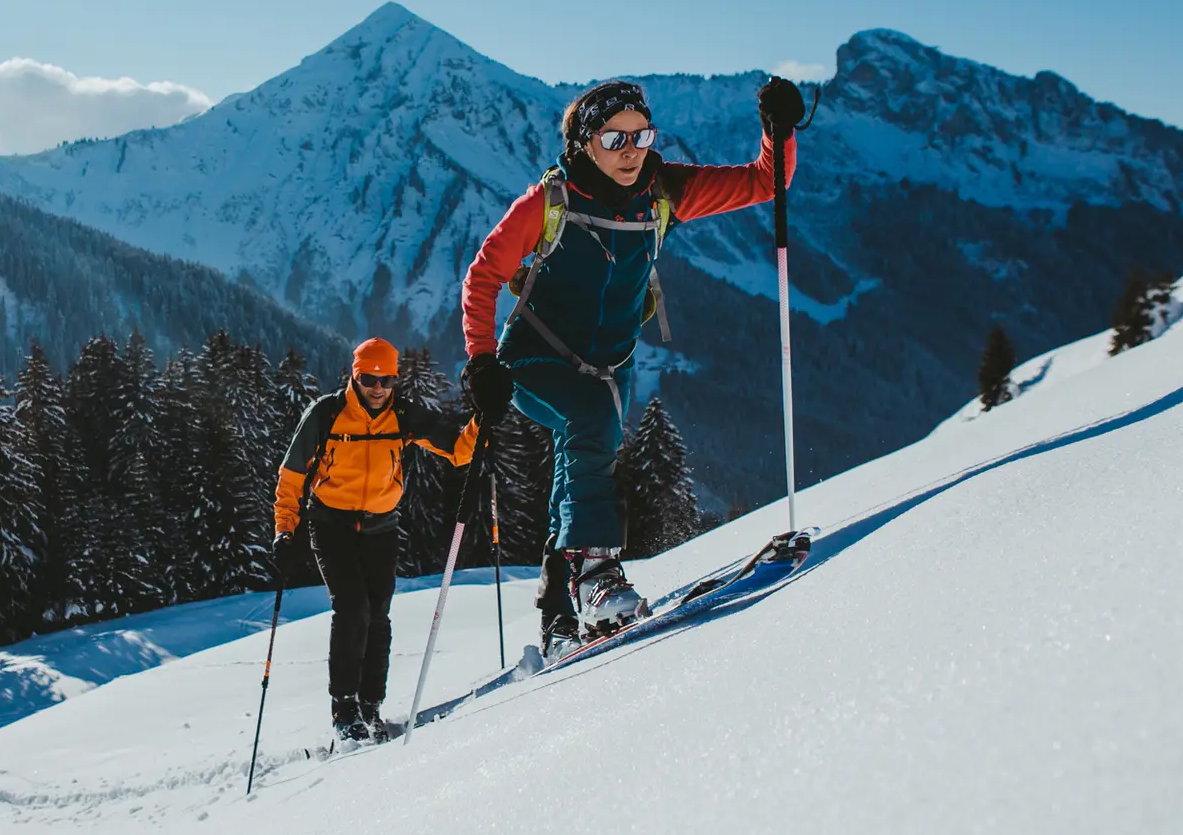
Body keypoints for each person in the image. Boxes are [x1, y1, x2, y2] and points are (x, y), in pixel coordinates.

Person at [459, 77, 808, 650]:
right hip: (534, 359)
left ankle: (558, 616)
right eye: (614, 138)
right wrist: (481, 362)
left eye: (641, 136)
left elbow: (763, 182)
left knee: (583, 462)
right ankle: (597, 577)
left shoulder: (664, 192)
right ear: (584, 143)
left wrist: (779, 131)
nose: (631, 151)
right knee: (591, 423)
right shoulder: (550, 201)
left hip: (611, 365)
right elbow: (483, 276)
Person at [273, 337, 478, 743]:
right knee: (352, 609)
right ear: (355, 376)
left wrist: (483, 418)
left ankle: (371, 706)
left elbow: (458, 450)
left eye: (387, 380)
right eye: (370, 379)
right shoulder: (327, 413)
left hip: (381, 526)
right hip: (331, 524)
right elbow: (292, 474)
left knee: (379, 614)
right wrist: (284, 528)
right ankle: (344, 709)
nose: (378, 388)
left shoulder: (402, 414)